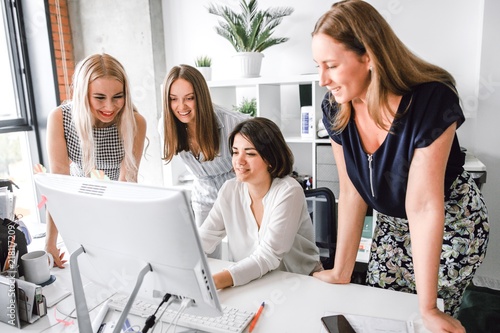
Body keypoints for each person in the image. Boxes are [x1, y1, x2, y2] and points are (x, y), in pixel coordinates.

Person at [310, 1, 489, 332]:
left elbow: (423, 206)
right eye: (318, 65)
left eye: (331, 65)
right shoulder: (336, 108)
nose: (322, 79)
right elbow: (351, 191)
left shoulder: (431, 101)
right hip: (392, 224)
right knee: (382, 309)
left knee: (424, 321)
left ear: (369, 57)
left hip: (451, 222)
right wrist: (341, 271)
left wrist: (429, 307)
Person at [45, 53, 147, 267]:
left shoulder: (135, 122)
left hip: (116, 207)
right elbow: (58, 186)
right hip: (77, 207)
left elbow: (127, 181)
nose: (109, 107)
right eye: (99, 97)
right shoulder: (60, 118)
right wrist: (50, 242)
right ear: (83, 94)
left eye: (118, 96)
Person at [198, 117, 323, 290]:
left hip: (296, 283)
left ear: (270, 159)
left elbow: (268, 256)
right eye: (235, 152)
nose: (239, 161)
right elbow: (204, 239)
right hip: (252, 283)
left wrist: (214, 282)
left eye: (250, 153)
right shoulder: (229, 190)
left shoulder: (288, 191)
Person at [161, 64, 248, 228]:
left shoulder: (233, 123)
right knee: (204, 249)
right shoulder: (166, 126)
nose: (181, 106)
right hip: (203, 195)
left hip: (239, 193)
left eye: (189, 98)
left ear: (200, 97)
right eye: (173, 99)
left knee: (243, 251)